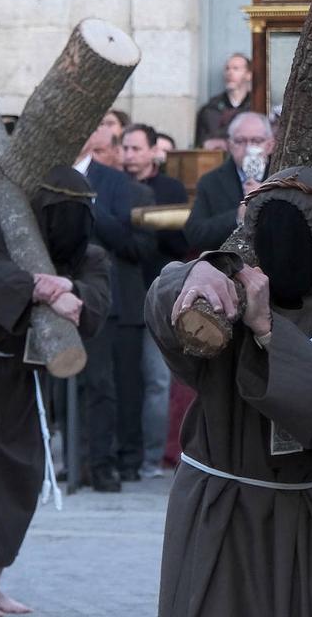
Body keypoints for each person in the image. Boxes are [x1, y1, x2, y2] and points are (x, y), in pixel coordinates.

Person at [145, 166, 312, 617]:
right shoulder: (231, 283)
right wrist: (196, 274)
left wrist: (268, 329)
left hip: (308, 507)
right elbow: (165, 297)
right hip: (218, 505)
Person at [0, 166, 111, 617]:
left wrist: (67, 287)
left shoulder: (86, 256)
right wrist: (37, 286)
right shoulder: (0, 234)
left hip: (20, 372)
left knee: (20, 472)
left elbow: (98, 297)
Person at [76, 134, 156, 487]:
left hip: (116, 300)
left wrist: (88, 205)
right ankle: (81, 459)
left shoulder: (115, 184)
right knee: (80, 386)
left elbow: (130, 242)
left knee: (117, 385)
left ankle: (114, 460)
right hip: (71, 296)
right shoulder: (51, 175)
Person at [122, 123, 190, 478]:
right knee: (125, 379)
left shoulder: (169, 188)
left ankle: (152, 456)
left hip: (158, 294)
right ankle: (128, 451)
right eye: (126, 148)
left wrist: (148, 222)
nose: (129, 156)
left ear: (153, 152)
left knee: (157, 379)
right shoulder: (117, 185)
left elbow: (182, 240)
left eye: (136, 149)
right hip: (124, 296)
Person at [183, 111, 275, 252]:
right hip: (228, 266)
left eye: (256, 141)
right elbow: (195, 234)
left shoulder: (281, 176)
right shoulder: (211, 182)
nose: (248, 148)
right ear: (230, 145)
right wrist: (238, 216)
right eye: (240, 141)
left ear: (270, 145)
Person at [194, 53, 253, 147]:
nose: (230, 73)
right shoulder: (210, 108)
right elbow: (199, 145)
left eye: (236, 68)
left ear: (248, 75)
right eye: (227, 69)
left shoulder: (257, 107)